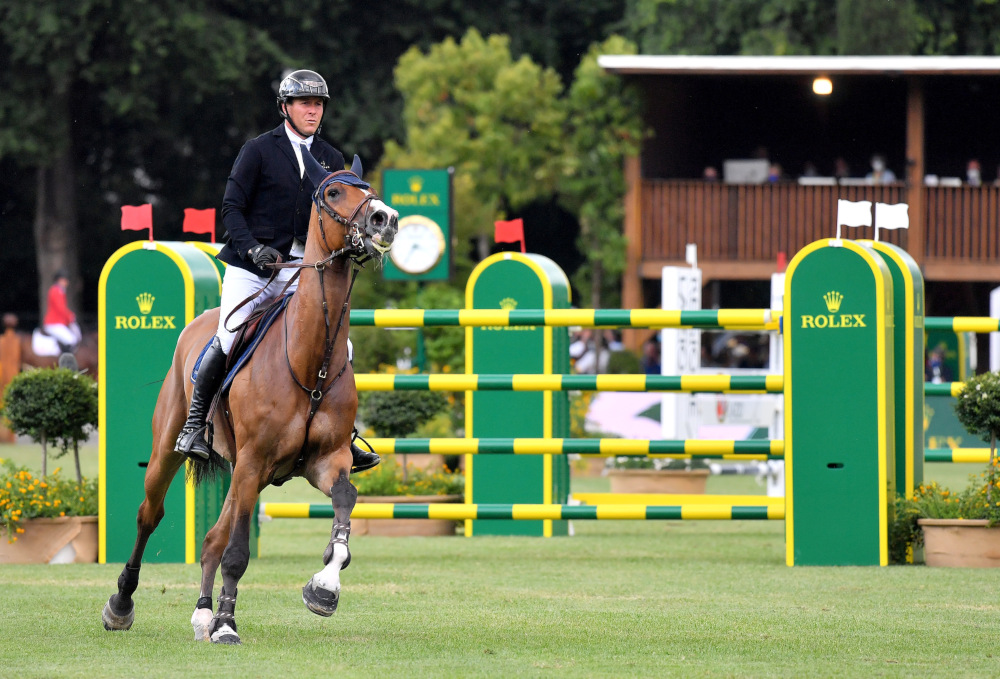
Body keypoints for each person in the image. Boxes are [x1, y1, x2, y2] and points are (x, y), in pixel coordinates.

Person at [174, 69, 379, 474]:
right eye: (305, 103)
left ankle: (344, 434)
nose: (313, 110)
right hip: (251, 268)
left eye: (318, 104)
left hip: (301, 271)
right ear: (285, 108)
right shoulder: (258, 150)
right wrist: (251, 247)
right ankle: (194, 426)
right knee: (228, 334)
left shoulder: (331, 158)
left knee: (341, 345)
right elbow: (231, 207)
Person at [43, 271, 82, 353]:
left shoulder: (60, 291)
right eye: (65, 280)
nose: (67, 282)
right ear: (59, 280)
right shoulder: (56, 291)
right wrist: (70, 316)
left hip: (58, 323)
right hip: (54, 323)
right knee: (71, 340)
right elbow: (60, 308)